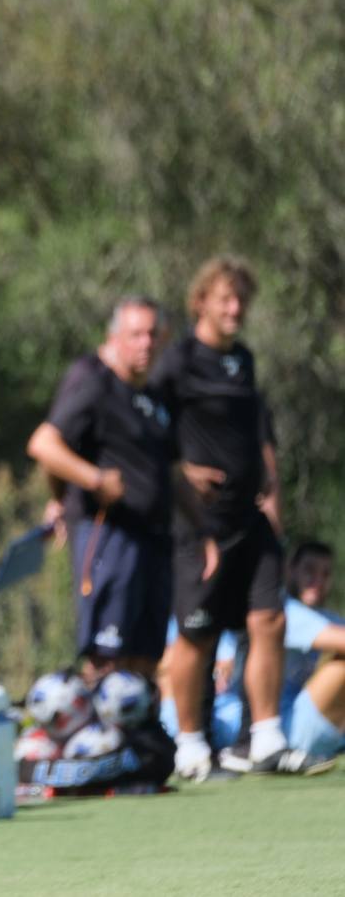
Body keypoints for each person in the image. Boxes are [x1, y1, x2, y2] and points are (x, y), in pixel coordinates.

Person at [149, 255, 298, 780]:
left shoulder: (245, 362)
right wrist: (179, 471)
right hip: (200, 524)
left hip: (250, 519)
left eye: (242, 300)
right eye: (226, 298)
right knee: (198, 634)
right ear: (201, 303)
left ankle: (266, 740)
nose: (236, 309)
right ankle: (190, 747)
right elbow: (146, 429)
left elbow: (261, 434)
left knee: (269, 620)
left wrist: (272, 492)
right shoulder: (177, 361)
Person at [26, 297, 176, 686]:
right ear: (114, 337)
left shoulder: (152, 395)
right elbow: (45, 445)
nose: (146, 343)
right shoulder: (92, 380)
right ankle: (102, 744)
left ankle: (142, 745)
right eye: (135, 335)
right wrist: (92, 481)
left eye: (152, 335)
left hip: (154, 539)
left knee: (146, 657)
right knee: (107, 657)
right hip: (110, 536)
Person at [158, 541, 342, 772]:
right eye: (309, 570)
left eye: (325, 573)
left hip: (274, 724)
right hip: (278, 728)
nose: (317, 581)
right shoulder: (278, 610)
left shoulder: (308, 615)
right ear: (290, 569)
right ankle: (180, 745)